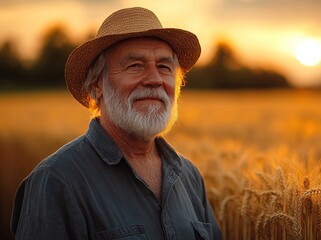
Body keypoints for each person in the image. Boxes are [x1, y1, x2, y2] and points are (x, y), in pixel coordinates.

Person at [11, 7, 222, 240]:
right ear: (96, 85)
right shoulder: (57, 180)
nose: (154, 79)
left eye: (164, 67)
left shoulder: (190, 177)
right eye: (135, 66)